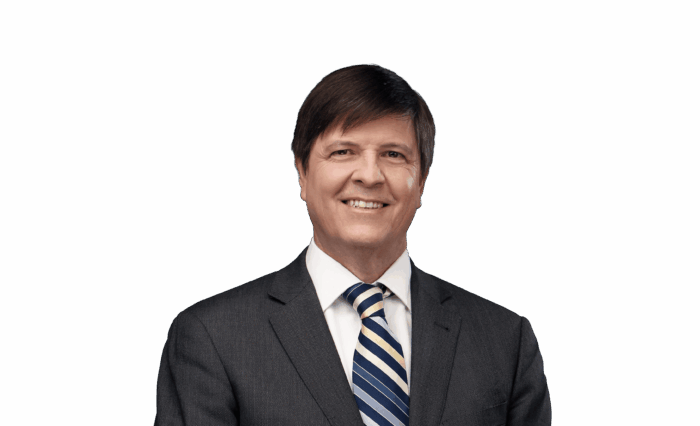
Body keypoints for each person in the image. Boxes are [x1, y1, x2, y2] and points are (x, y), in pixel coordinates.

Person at [154, 63, 552, 425]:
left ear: (422, 181)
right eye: (343, 152)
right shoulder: (212, 336)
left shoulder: (505, 338)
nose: (370, 175)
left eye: (393, 154)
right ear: (302, 173)